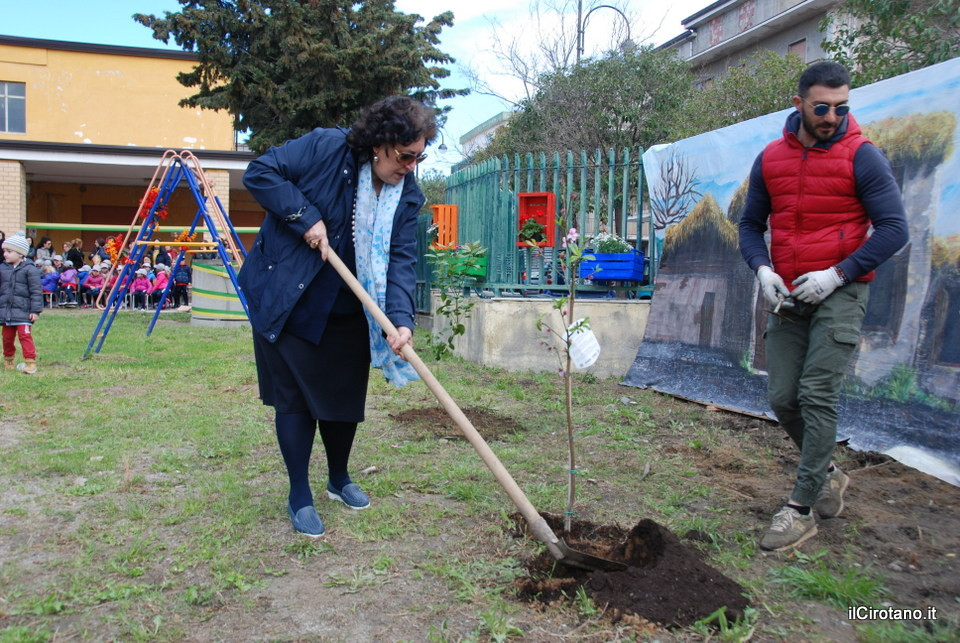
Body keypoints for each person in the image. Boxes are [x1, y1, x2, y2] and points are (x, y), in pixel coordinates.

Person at [238, 95, 434, 538]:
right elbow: (260, 172)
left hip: (350, 309)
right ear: (379, 143)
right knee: (295, 401)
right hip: (290, 298)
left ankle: (338, 478)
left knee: (343, 401)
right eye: (405, 156)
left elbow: (401, 260)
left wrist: (400, 320)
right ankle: (299, 494)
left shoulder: (407, 195)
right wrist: (304, 217)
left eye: (418, 158)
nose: (411, 167)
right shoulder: (326, 148)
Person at [738, 62, 909, 552]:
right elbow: (750, 225)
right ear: (799, 104)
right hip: (790, 292)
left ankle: (800, 508)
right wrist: (762, 270)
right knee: (783, 398)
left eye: (841, 107)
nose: (832, 117)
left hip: (841, 291)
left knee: (816, 394)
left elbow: (894, 228)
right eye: (822, 107)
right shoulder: (771, 158)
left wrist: (838, 274)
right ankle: (829, 472)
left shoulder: (863, 156)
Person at [1, 234, 43, 374]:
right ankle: (8, 360)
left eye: (9, 251)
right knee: (7, 338)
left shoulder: (30, 269)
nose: (5, 254)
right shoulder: (2, 268)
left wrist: (35, 311)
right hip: (6, 313)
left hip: (24, 312)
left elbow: (36, 291)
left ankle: (30, 362)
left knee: (25, 336)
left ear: (20, 253)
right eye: (4, 251)